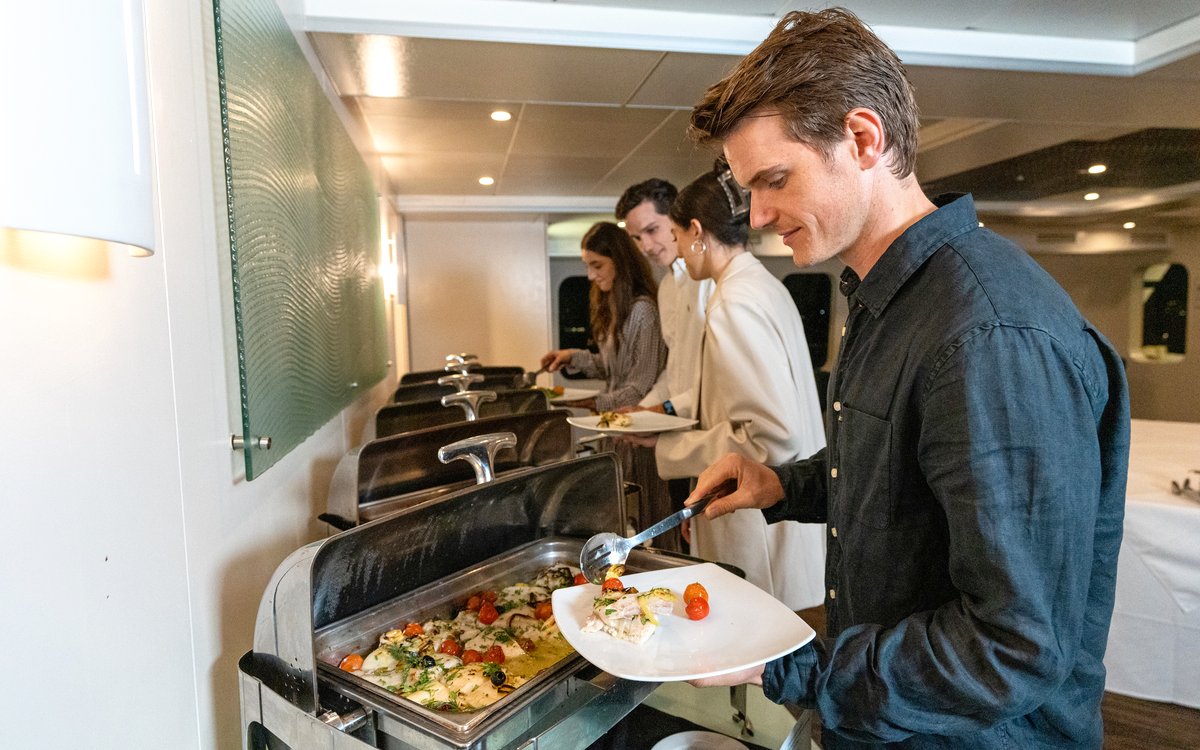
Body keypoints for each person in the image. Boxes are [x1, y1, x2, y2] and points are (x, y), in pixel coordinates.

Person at [681, 8, 1131, 750]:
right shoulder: (885, 294)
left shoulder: (989, 337)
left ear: (863, 139)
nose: (758, 214)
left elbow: (1012, 647)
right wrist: (785, 485)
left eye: (774, 180)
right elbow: (910, 487)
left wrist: (786, 670)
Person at [624, 163, 827, 610]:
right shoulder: (761, 286)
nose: (675, 248)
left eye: (675, 235)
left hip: (760, 519)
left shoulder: (732, 304)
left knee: (761, 652)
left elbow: (773, 436)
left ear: (696, 231)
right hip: (775, 513)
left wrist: (671, 450)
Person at [541, 222, 672, 543]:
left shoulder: (644, 311)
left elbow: (638, 387)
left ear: (620, 261)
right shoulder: (614, 307)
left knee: (645, 521)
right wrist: (572, 355)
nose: (590, 275)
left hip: (640, 433)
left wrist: (587, 403)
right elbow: (609, 366)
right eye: (587, 266)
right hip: (616, 430)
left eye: (597, 265)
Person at [616, 179, 714, 422]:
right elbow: (675, 372)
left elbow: (719, 379)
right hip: (682, 422)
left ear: (677, 219)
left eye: (651, 230)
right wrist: (641, 411)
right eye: (636, 238)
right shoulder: (667, 289)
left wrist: (663, 410)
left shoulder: (710, 280)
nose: (645, 246)